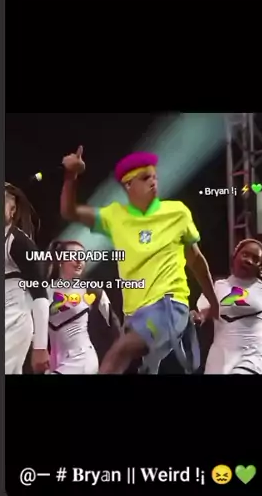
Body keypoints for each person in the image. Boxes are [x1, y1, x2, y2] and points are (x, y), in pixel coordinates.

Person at [59, 146, 220, 374]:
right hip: (134, 317)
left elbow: (196, 260)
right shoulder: (115, 216)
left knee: (119, 351)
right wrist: (71, 176)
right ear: (128, 185)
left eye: (154, 177)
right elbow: (69, 212)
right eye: (145, 178)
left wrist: (213, 302)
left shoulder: (177, 212)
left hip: (169, 306)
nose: (153, 182)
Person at [194, 238, 262, 375]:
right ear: (235, 256)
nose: (248, 260)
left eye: (255, 259)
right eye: (245, 254)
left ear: (260, 267)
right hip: (223, 355)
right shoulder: (217, 286)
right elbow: (204, 312)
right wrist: (198, 317)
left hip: (255, 353)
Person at [46, 239, 122, 374]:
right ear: (60, 260)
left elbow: (114, 325)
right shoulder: (45, 292)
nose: (79, 261)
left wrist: (117, 360)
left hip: (82, 359)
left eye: (82, 257)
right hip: (55, 361)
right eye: (73, 256)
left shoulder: (91, 290)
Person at [4, 183, 50, 374]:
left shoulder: (19, 242)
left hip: (15, 321)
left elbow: (40, 295)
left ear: (12, 210)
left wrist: (40, 346)